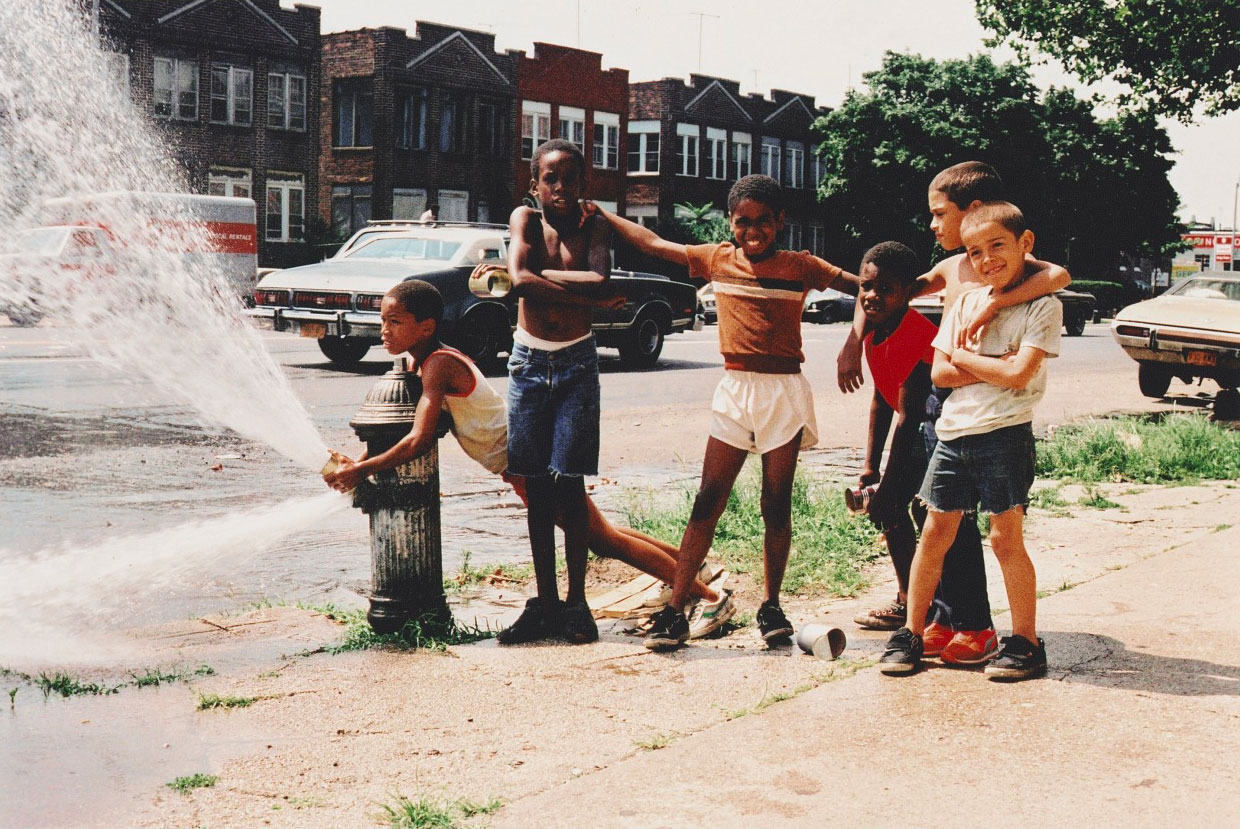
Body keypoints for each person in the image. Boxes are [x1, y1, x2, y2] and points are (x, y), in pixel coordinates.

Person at [322, 281, 726, 642]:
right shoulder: (425, 361)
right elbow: (400, 430)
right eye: (382, 321)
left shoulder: (438, 366)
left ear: (426, 327)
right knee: (599, 529)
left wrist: (360, 470)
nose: (384, 330)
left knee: (602, 540)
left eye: (395, 321)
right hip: (523, 459)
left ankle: (708, 597)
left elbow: (417, 440)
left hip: (528, 461)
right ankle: (695, 569)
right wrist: (359, 461)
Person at [589, 174, 859, 651]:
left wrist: (852, 345)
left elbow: (868, 290)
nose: (752, 231)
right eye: (742, 222)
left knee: (775, 506)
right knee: (707, 500)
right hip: (735, 390)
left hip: (783, 392)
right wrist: (604, 214)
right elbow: (653, 243)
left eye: (763, 222)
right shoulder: (717, 258)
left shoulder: (802, 266)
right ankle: (676, 611)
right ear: (730, 223)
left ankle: (771, 605)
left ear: (780, 222)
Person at [841, 161, 1068, 665]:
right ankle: (935, 622)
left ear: (974, 211)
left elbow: (1057, 277)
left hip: (998, 419)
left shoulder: (1016, 273)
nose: (931, 224)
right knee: (937, 521)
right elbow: (882, 289)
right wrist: (854, 339)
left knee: (989, 531)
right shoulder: (950, 269)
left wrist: (991, 308)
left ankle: (987, 628)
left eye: (939, 212)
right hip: (950, 411)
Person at [851, 241, 934, 642]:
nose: (872, 296)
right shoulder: (874, 332)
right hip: (911, 428)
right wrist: (870, 466)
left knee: (913, 512)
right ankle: (912, 598)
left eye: (886, 289)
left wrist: (887, 481)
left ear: (907, 292)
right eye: (867, 287)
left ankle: (922, 604)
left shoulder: (915, 332)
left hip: (932, 433)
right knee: (893, 512)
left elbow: (909, 415)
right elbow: (881, 402)